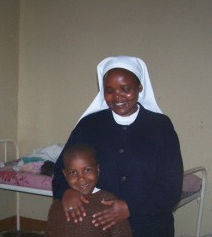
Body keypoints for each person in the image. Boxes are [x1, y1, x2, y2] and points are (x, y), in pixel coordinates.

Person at [52, 55, 184, 237]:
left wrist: (130, 207)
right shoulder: (88, 126)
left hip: (151, 227)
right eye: (109, 90)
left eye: (125, 89)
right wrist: (65, 191)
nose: (117, 96)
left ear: (139, 88)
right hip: (100, 229)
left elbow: (172, 186)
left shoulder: (161, 127)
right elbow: (61, 170)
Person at [45, 143, 132, 237]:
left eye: (87, 170)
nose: (81, 178)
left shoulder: (108, 202)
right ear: (65, 174)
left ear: (97, 169)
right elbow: (50, 231)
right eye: (73, 172)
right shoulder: (58, 203)